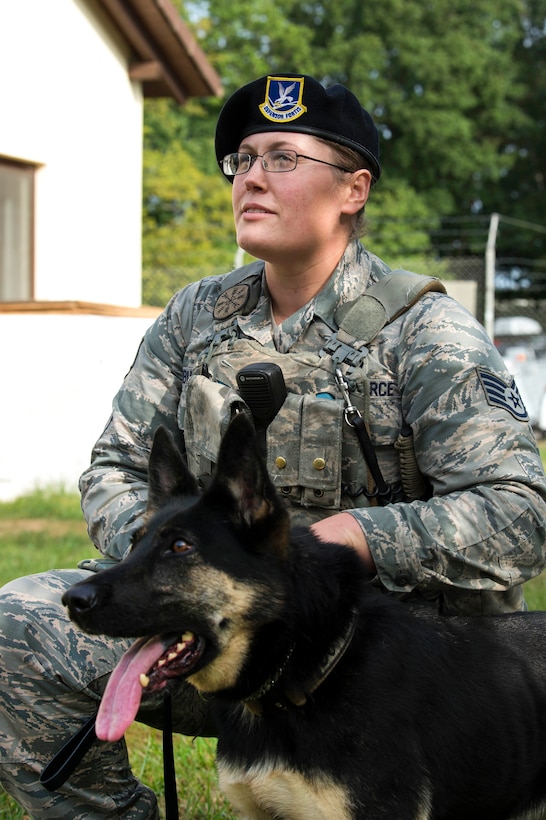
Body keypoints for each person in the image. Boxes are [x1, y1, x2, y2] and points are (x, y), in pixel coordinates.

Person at [1, 72, 545, 818]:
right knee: (14, 626)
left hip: (391, 665)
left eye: (283, 158)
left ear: (353, 190)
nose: (251, 177)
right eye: (243, 160)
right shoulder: (197, 318)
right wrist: (179, 553)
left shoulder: (424, 332)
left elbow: (520, 512)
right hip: (222, 636)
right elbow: (114, 469)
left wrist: (357, 537)